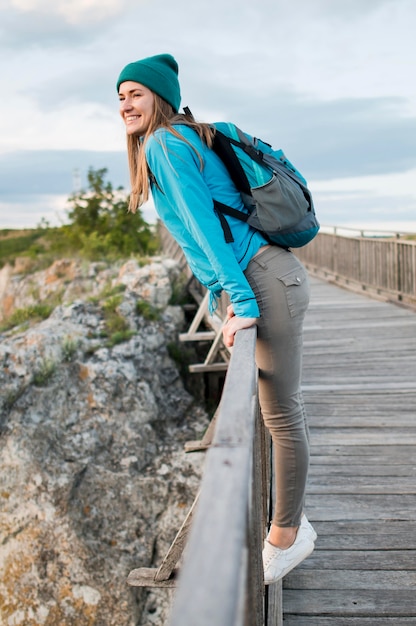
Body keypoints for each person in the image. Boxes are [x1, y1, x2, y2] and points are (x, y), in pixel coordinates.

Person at [116, 53, 317, 583]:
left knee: (281, 415)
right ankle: (289, 517)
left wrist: (242, 305)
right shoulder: (183, 139)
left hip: (265, 281)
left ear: (158, 96)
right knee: (279, 410)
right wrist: (225, 301)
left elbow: (206, 231)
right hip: (267, 277)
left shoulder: (164, 145)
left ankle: (287, 535)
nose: (124, 104)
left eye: (135, 93)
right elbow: (201, 240)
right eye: (120, 96)